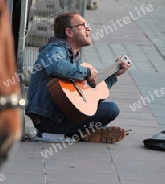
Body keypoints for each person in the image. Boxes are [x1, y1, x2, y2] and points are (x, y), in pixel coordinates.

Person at [25, 12, 131, 143]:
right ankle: (64, 133)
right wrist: (87, 72)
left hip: (63, 115)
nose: (89, 28)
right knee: (110, 109)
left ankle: (81, 132)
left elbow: (92, 90)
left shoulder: (74, 59)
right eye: (84, 25)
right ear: (69, 32)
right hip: (49, 119)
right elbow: (55, 66)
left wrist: (113, 74)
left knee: (110, 109)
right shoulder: (55, 49)